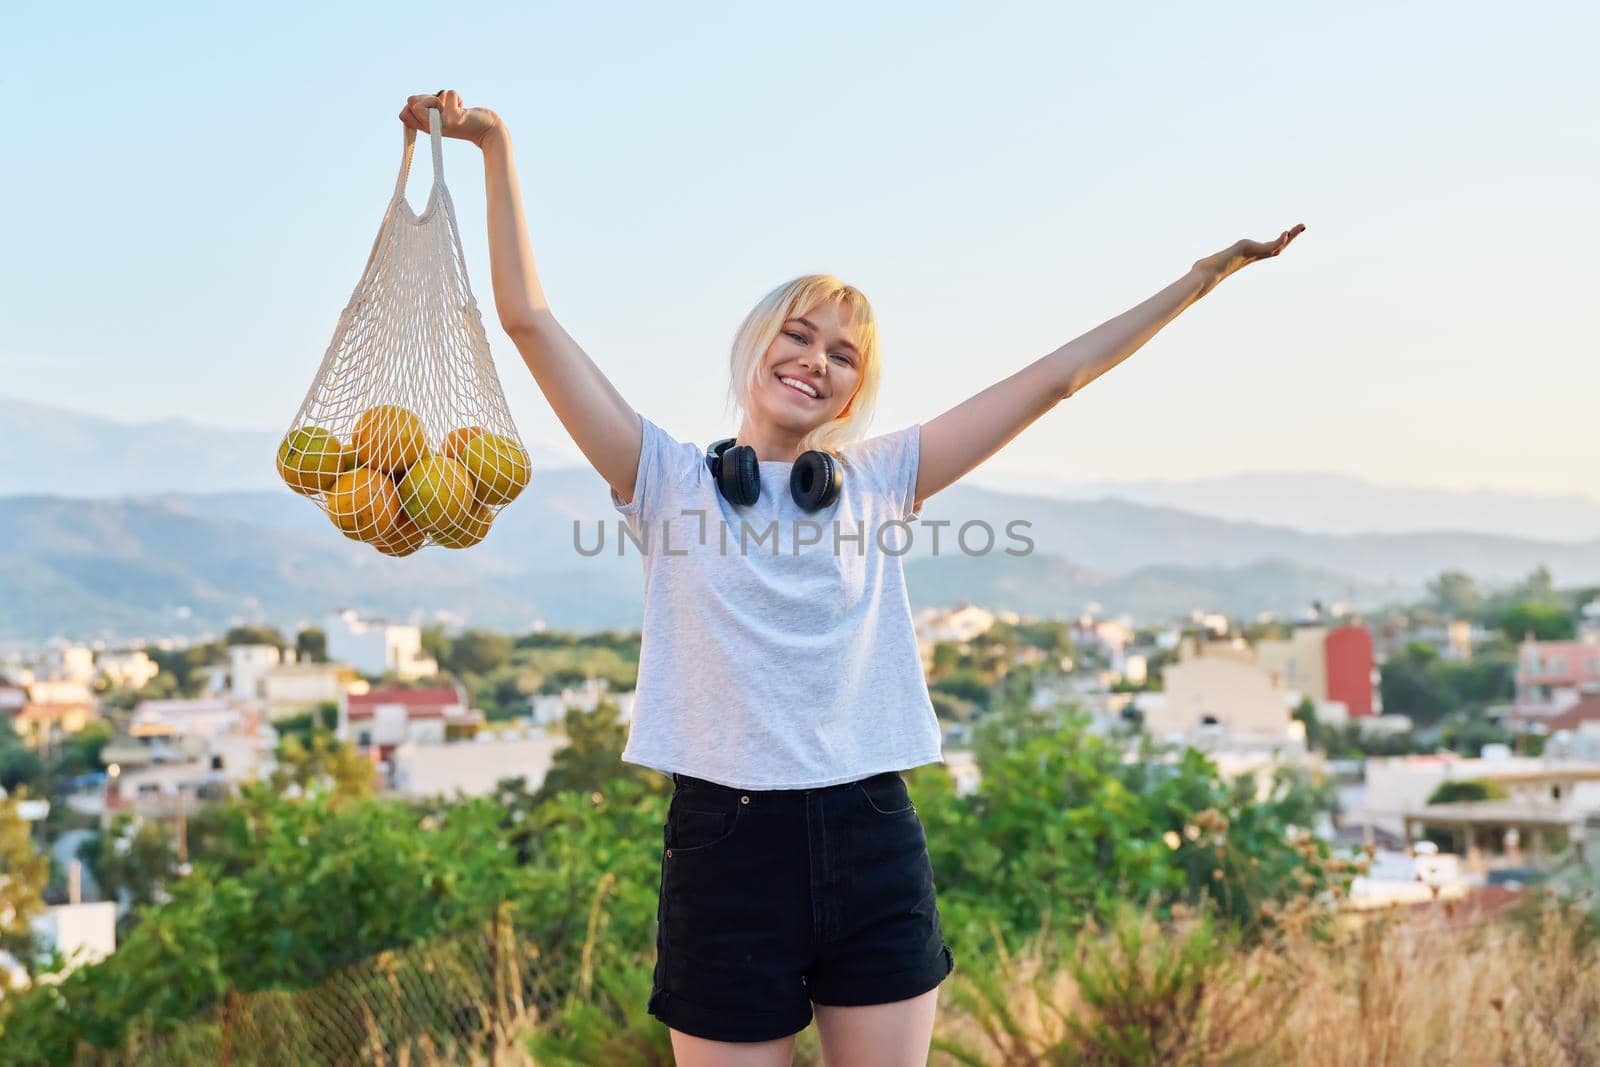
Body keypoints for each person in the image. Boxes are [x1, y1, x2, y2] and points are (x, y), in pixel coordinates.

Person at [399, 90, 1303, 1067]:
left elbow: (1054, 378)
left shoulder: (878, 478)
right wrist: (494, 145)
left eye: (842, 355)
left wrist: (1197, 281)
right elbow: (528, 320)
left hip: (869, 829)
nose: (814, 361)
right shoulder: (663, 477)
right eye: (799, 334)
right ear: (757, 343)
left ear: (853, 390)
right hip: (723, 845)